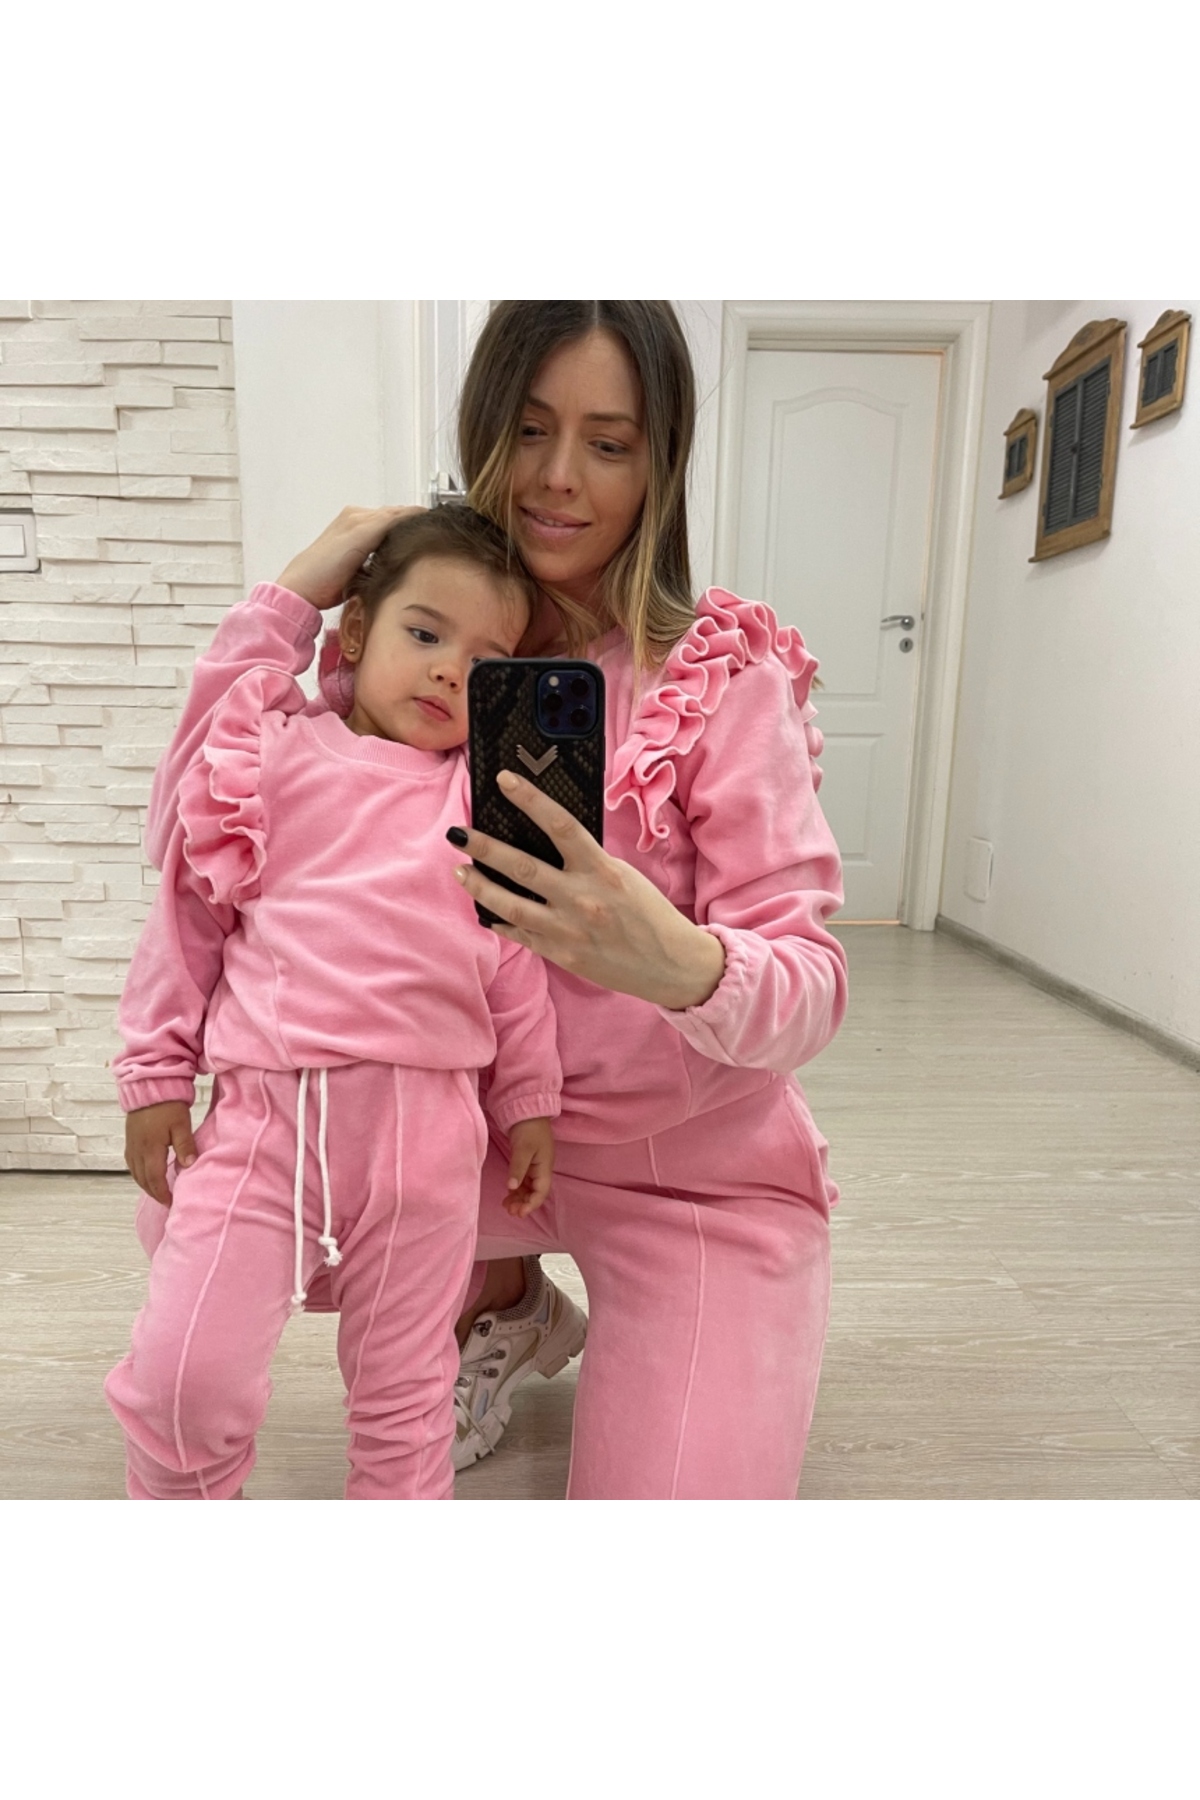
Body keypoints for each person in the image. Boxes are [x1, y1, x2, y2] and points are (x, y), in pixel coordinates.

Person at [141, 301, 848, 1500]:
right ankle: (507, 1296)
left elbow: (813, 988)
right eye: (528, 429)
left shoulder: (719, 682)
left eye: (609, 444)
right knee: (212, 1220)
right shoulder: (421, 652)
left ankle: (510, 1293)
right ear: (482, 428)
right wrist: (292, 598)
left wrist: (678, 963)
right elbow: (197, 836)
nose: (560, 478)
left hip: (685, 1169)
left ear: (660, 464)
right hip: (451, 1141)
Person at [104, 507, 562, 1500]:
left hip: (425, 1148)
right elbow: (188, 923)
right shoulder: (269, 756)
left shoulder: (480, 800)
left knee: (405, 1406)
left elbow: (514, 962)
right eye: (425, 632)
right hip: (263, 1127)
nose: (450, 672)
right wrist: (155, 1072)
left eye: (486, 664)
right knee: (183, 1381)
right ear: (355, 631)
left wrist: (530, 1099)